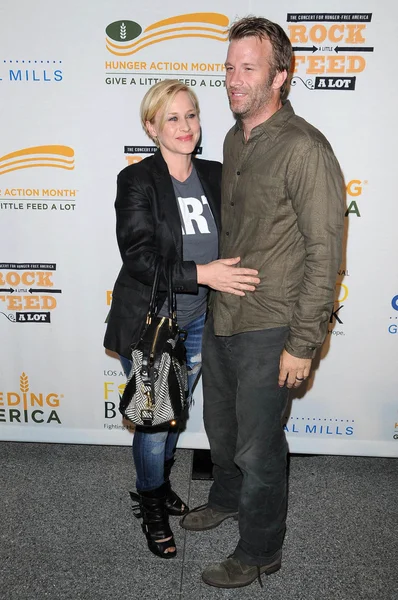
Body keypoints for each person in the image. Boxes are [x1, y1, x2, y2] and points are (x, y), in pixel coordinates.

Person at [180, 17, 345, 588]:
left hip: (273, 324)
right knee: (222, 429)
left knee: (259, 445)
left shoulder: (305, 149)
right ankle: (226, 498)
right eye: (229, 67)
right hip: (225, 312)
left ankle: (259, 551)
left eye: (247, 68)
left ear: (280, 76)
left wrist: (304, 344)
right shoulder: (231, 137)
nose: (233, 79)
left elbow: (325, 253)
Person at [104, 79, 259, 560]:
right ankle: (149, 502)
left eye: (190, 115)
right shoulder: (137, 180)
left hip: (201, 324)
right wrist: (204, 273)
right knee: (153, 424)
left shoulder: (215, 174)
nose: (185, 125)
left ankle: (158, 484)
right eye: (172, 117)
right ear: (151, 126)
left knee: (173, 418)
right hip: (153, 325)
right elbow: (139, 259)